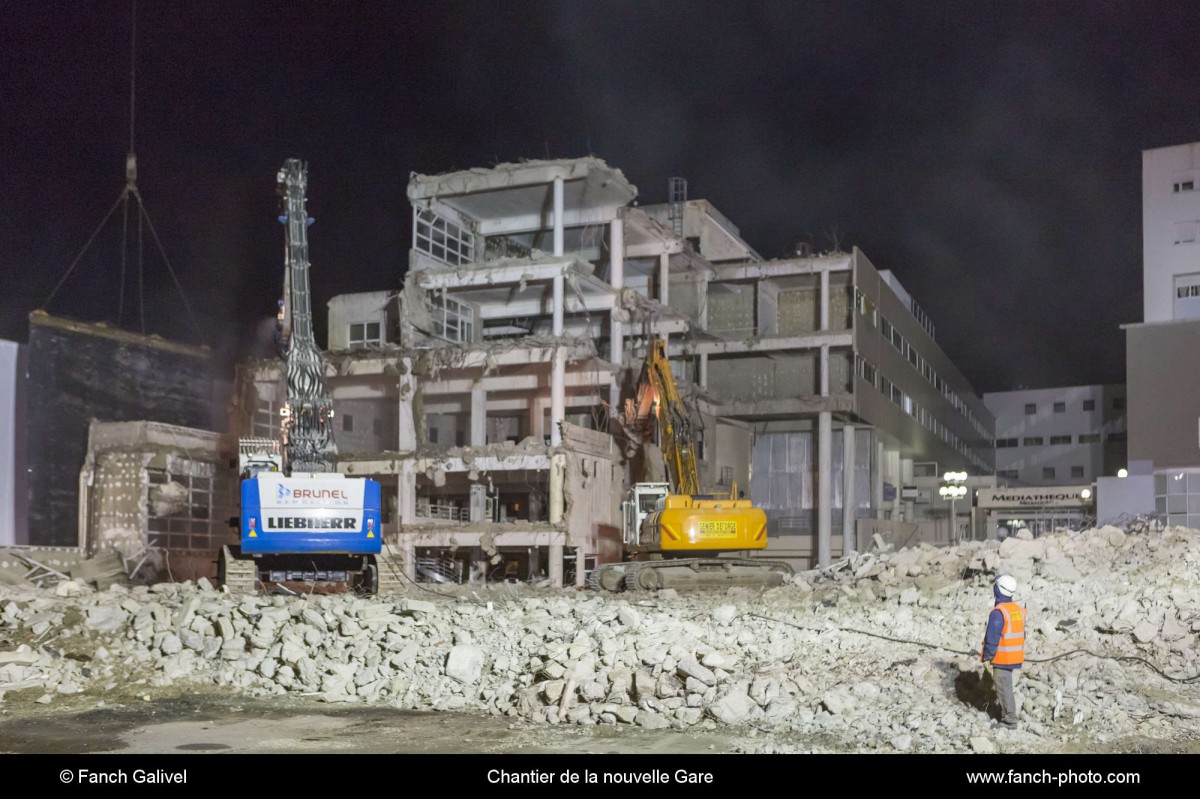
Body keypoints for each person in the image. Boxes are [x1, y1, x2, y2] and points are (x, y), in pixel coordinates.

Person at [981, 573, 1025, 729]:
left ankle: (1009, 720)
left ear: (998, 590)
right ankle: (1008, 716)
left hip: (1002, 657)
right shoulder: (1017, 610)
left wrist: (987, 658)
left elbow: (992, 639)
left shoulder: (998, 613)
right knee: (1005, 685)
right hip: (1015, 655)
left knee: (1003, 685)